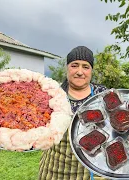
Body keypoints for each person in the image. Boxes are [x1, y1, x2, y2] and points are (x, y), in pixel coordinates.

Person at [39, 46, 107, 180]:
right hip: (54, 169)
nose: (80, 72)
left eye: (85, 67)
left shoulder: (102, 95)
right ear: (67, 68)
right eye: (75, 65)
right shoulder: (52, 95)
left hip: (90, 170)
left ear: (91, 71)